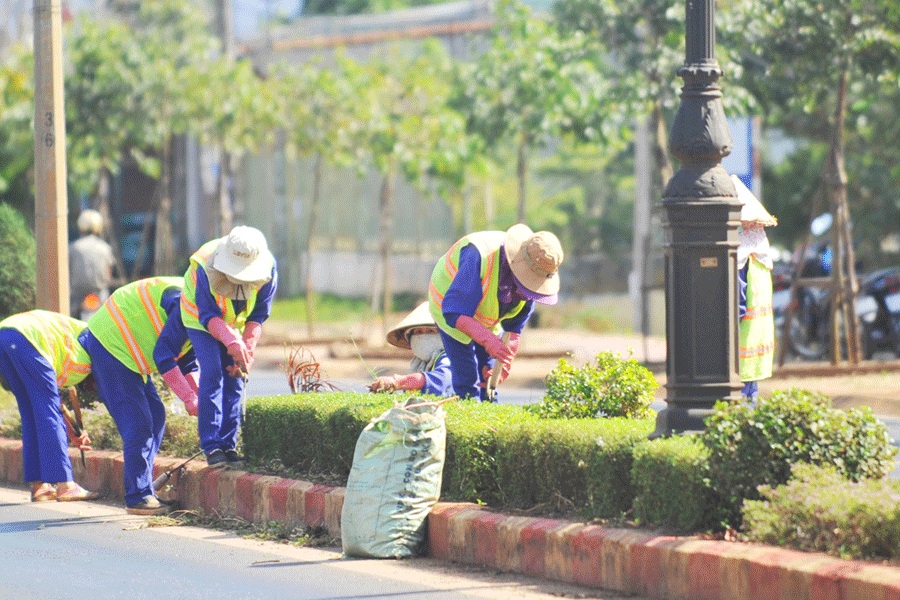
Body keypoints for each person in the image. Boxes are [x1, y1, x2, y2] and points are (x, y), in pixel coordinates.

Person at [81, 277, 199, 516]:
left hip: (128, 352)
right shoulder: (185, 303)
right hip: (111, 343)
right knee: (139, 423)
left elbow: (187, 359)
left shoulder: (201, 307)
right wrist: (189, 398)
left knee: (155, 416)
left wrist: (199, 396)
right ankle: (138, 496)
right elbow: (165, 356)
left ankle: (144, 490)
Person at [429, 224, 564, 401]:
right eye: (528, 284)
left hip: (487, 313)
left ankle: (489, 405)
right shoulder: (477, 257)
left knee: (488, 371)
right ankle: (468, 409)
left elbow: (514, 328)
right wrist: (488, 340)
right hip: (451, 305)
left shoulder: (535, 269)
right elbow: (454, 313)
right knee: (466, 373)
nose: (528, 293)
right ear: (517, 268)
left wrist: (504, 360)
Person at [180, 226, 277, 468]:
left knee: (235, 376)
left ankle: (228, 445)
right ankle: (212, 446)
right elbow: (208, 314)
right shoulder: (204, 263)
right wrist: (231, 341)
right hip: (201, 320)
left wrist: (248, 346)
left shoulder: (269, 268)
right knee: (213, 372)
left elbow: (258, 314)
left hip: (235, 322)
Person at [0, 310, 99, 502]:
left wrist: (71, 431)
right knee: (46, 411)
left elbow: (52, 401)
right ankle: (65, 484)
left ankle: (41, 487)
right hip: (28, 337)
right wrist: (72, 430)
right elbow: (52, 406)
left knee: (31, 411)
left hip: (5, 334)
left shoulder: (81, 337)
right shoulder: (92, 350)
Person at [733, 175, 777, 403]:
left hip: (742, 336)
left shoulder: (743, 257)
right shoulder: (763, 256)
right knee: (752, 396)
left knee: (740, 396)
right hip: (758, 336)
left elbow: (740, 299)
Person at [368, 302, 452, 395]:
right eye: (418, 331)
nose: (423, 337)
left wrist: (397, 382)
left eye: (431, 331)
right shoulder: (419, 365)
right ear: (410, 337)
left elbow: (441, 380)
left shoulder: (450, 357)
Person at [69, 209, 117, 319]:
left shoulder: (73, 247)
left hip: (77, 296)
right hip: (99, 294)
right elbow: (108, 274)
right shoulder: (105, 248)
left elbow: (68, 272)